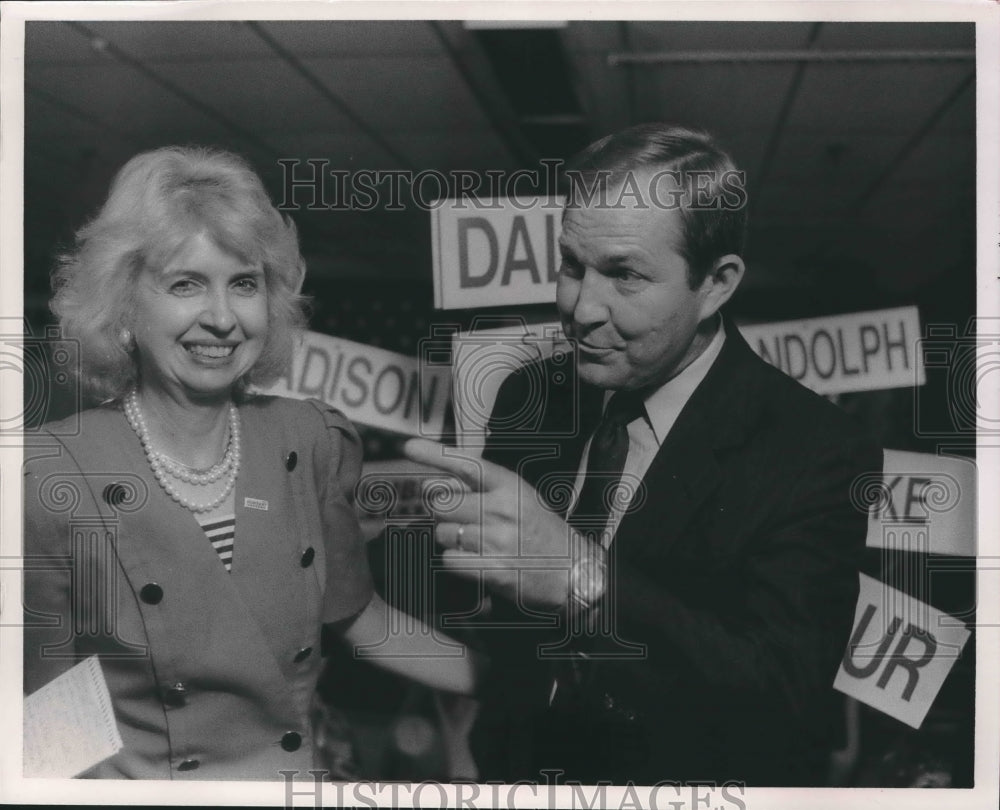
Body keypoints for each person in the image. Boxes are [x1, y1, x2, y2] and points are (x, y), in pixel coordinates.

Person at [405, 124, 883, 786]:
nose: (580, 308)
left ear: (716, 284)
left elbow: (784, 694)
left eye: (623, 274)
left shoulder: (815, 447)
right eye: (571, 265)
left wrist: (582, 577)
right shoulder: (531, 393)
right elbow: (506, 635)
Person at [22, 146, 478, 780]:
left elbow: (362, 621)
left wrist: (520, 681)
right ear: (124, 309)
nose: (221, 317)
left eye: (244, 284)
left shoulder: (312, 438)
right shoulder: (49, 471)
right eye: (186, 284)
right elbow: (42, 719)